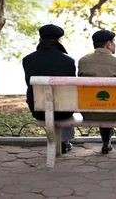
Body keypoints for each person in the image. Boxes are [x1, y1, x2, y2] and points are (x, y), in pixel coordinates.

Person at [22, 24, 76, 153]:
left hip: (39, 110)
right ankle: (64, 141)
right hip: (64, 112)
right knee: (66, 100)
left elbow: (28, 84)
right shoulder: (68, 61)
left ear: (40, 39)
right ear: (59, 40)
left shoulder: (28, 60)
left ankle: (60, 142)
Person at [78, 29, 116, 154]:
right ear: (109, 44)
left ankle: (106, 143)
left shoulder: (83, 61)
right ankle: (106, 143)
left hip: (88, 111)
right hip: (113, 111)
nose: (115, 45)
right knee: (108, 102)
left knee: (96, 100)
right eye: (114, 42)